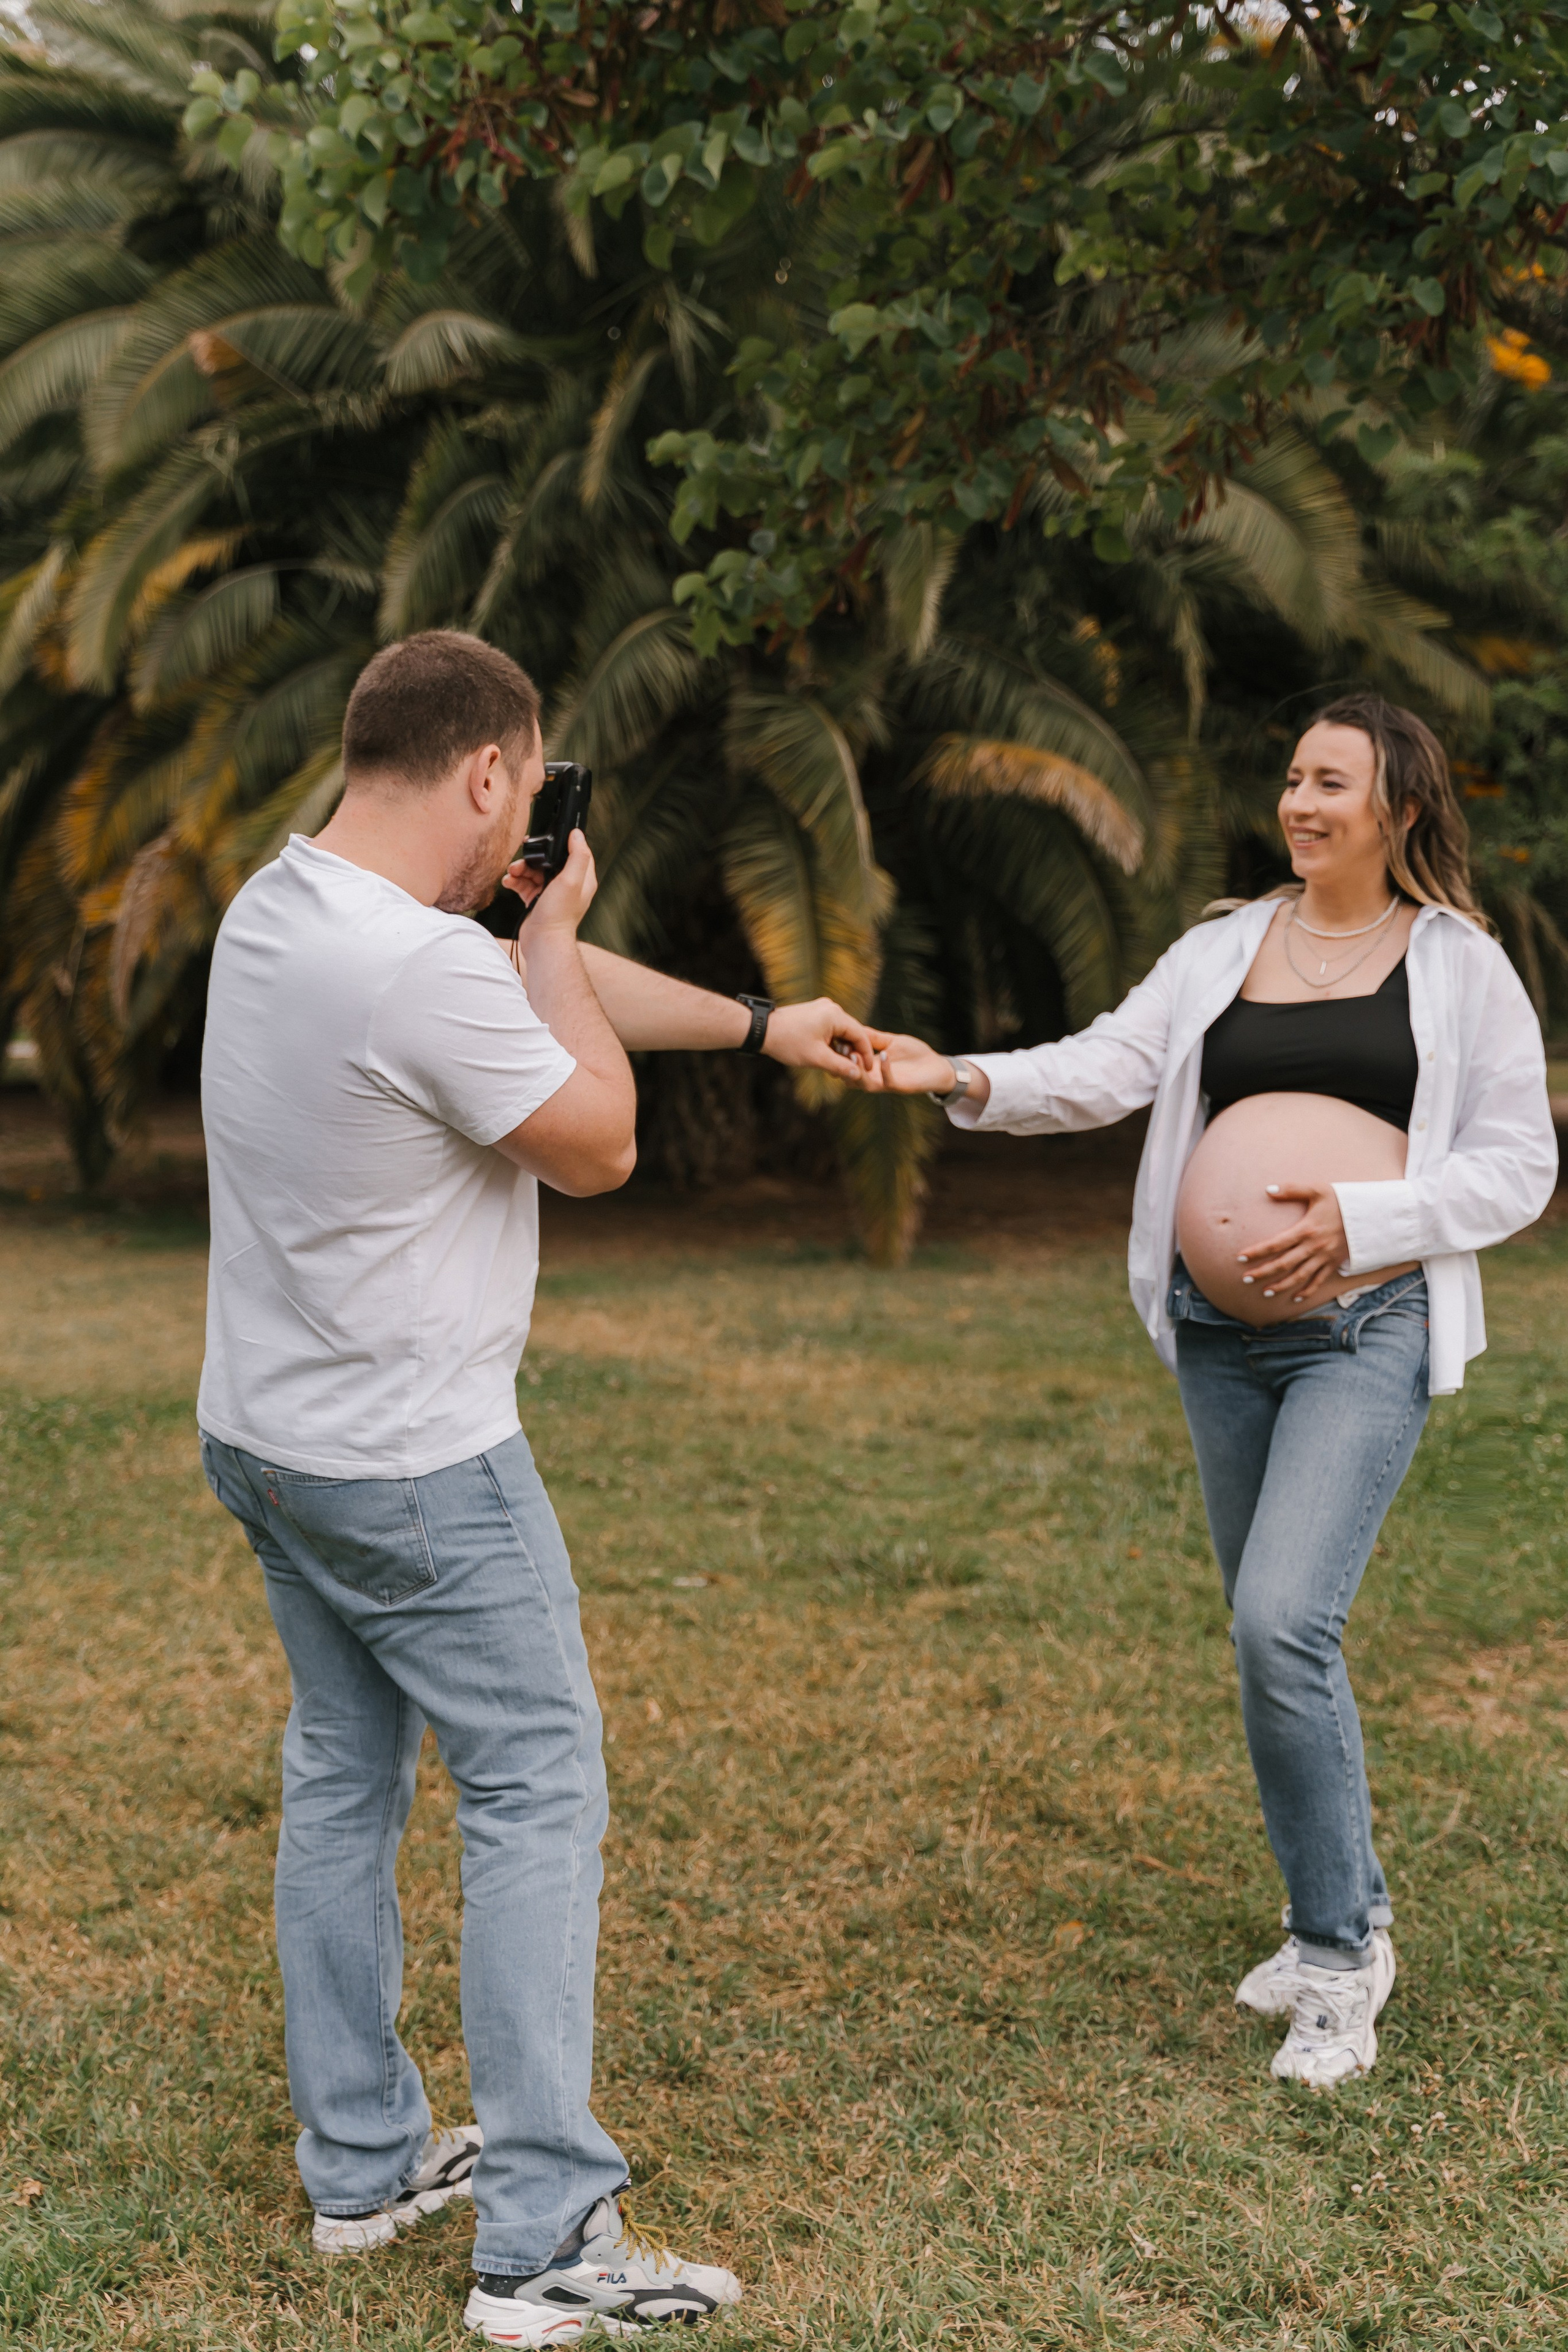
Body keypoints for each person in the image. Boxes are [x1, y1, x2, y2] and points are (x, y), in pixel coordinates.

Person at [196, 629, 877, 2345]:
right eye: (533, 780)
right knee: (538, 1787)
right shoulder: (421, 969)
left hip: (275, 1440)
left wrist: (760, 1019)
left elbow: (523, 988)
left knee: (346, 1776)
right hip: (416, 1465)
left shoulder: (286, 912)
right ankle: (545, 2242)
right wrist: (558, 931)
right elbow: (595, 1137)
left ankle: (360, 2168)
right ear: (495, 774)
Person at [857, 692, 1557, 2089]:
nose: (1300, 804)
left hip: (1363, 1330)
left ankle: (1342, 1954)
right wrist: (962, 1072)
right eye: (1291, 777)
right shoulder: (1223, 947)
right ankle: (1330, 1926)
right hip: (1220, 1334)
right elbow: (1111, 1067)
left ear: (1399, 811)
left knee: (1281, 1620)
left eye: (1331, 785)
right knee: (1266, 1638)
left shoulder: (1457, 965)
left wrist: (1357, 1222)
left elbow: (1515, 1167)